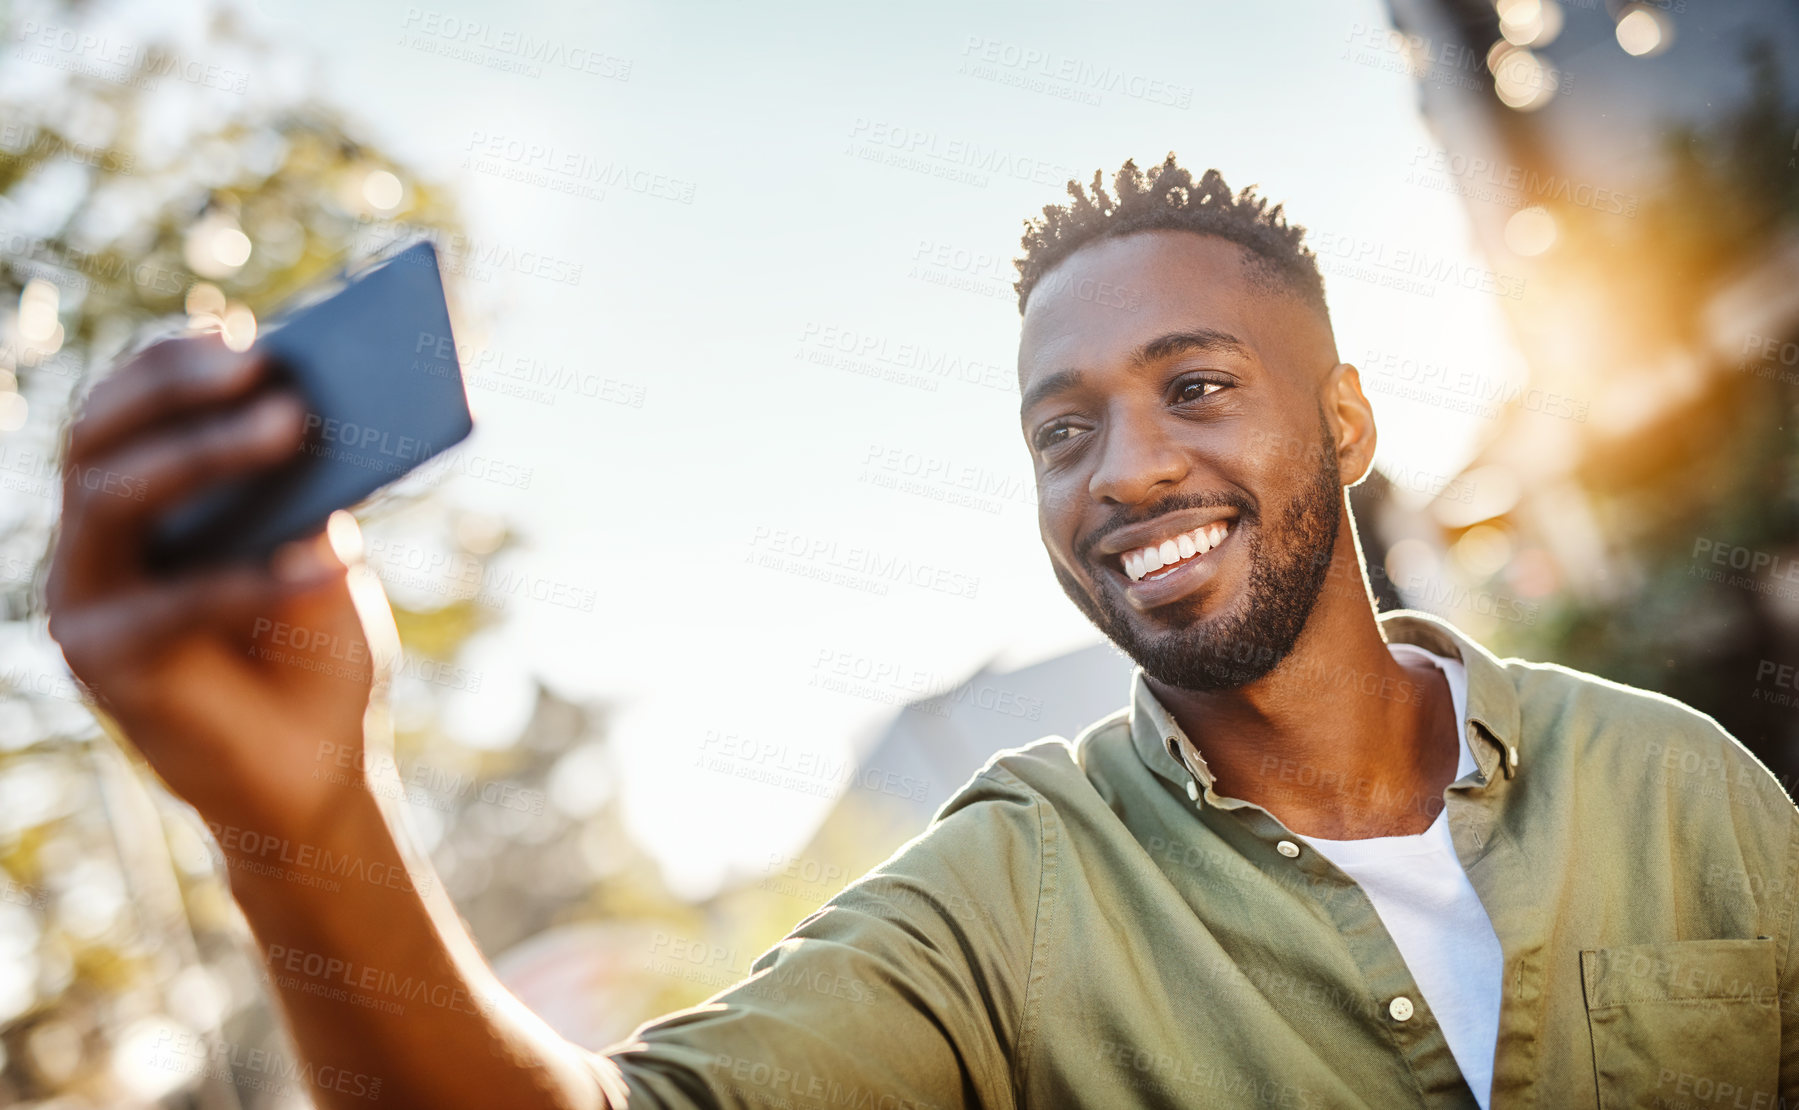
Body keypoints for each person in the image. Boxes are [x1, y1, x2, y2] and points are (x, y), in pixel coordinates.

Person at [46, 154, 1795, 1109]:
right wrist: (301, 815)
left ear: (1344, 422)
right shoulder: (1003, 901)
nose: (1128, 469)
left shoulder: (1675, 784)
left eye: (1196, 385)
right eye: (1063, 430)